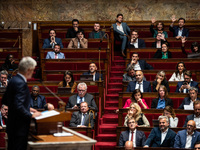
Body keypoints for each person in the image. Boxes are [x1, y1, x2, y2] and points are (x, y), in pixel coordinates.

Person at [1, 56, 41, 150]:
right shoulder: (21, 83)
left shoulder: (13, 80)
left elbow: (5, 100)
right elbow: (18, 106)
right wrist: (31, 115)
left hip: (12, 125)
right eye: (32, 70)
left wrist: (27, 108)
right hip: (19, 127)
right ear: (29, 70)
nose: (32, 72)